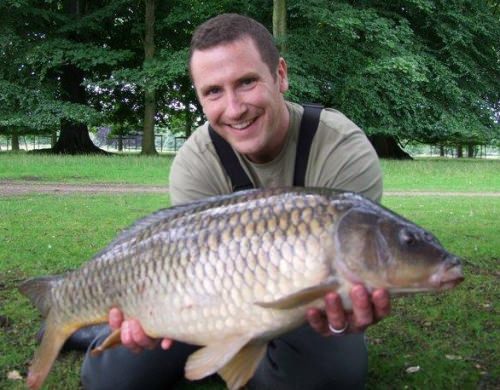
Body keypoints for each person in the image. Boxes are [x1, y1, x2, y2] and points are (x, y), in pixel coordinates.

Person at [81, 13, 390, 389]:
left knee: (333, 378)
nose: (234, 108)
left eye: (246, 82)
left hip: (305, 307)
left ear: (279, 75)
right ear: (199, 96)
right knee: (111, 380)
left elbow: (360, 276)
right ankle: (89, 331)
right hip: (209, 299)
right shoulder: (196, 162)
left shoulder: (341, 148)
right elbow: (182, 273)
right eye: (213, 91)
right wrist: (152, 316)